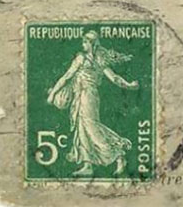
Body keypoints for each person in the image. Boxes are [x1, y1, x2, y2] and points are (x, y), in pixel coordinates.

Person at [46, 31, 139, 176]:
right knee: (81, 127)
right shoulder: (96, 60)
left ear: (92, 44)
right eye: (83, 42)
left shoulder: (83, 59)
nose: (83, 45)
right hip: (83, 95)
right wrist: (129, 85)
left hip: (87, 95)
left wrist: (52, 94)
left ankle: (118, 154)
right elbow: (114, 78)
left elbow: (66, 77)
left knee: (90, 127)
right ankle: (87, 165)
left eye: (85, 42)